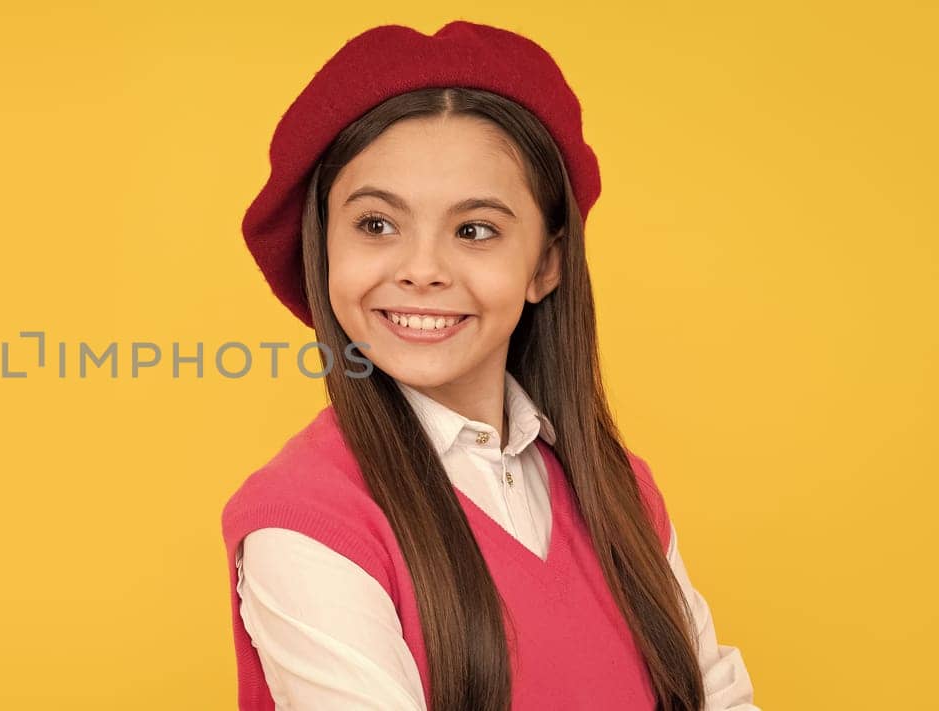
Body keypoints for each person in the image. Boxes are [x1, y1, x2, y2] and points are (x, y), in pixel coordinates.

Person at [220, 21, 758, 710]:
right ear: (323, 245)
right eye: (377, 224)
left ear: (546, 262)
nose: (421, 270)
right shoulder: (306, 521)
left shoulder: (619, 492)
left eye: (475, 230)